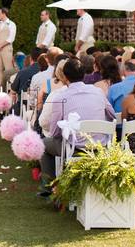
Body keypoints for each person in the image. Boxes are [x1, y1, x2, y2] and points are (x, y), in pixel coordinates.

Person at [38, 58, 114, 192]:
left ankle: (49, 188)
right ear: (84, 74)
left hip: (74, 148)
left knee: (43, 144)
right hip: (101, 146)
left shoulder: (60, 98)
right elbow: (112, 115)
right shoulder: (98, 92)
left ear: (65, 77)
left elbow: (54, 132)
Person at [9, 47, 44, 114]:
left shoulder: (22, 72)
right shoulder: (46, 73)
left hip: (21, 109)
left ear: (30, 58)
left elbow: (13, 90)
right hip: (42, 108)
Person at [0, 8, 16, 91]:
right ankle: (0, 88)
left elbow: (11, 38)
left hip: (6, 48)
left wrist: (1, 45)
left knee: (8, 69)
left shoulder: (11, 24)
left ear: (4, 14)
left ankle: (9, 89)